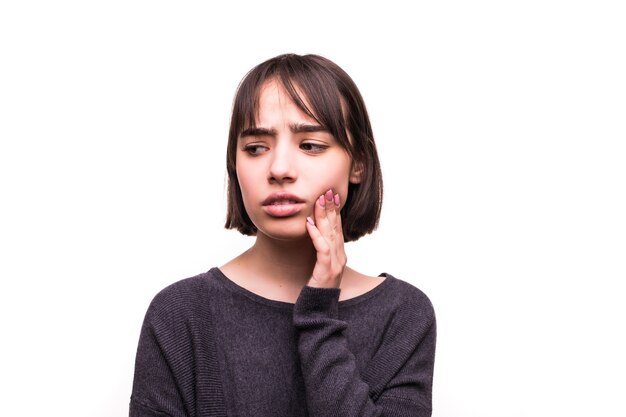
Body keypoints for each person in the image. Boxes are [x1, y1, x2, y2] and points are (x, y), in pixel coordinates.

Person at [129, 53, 436, 417]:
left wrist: (320, 309)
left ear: (358, 164)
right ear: (235, 164)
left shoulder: (404, 315)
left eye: (310, 145)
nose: (279, 169)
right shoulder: (180, 314)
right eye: (256, 148)